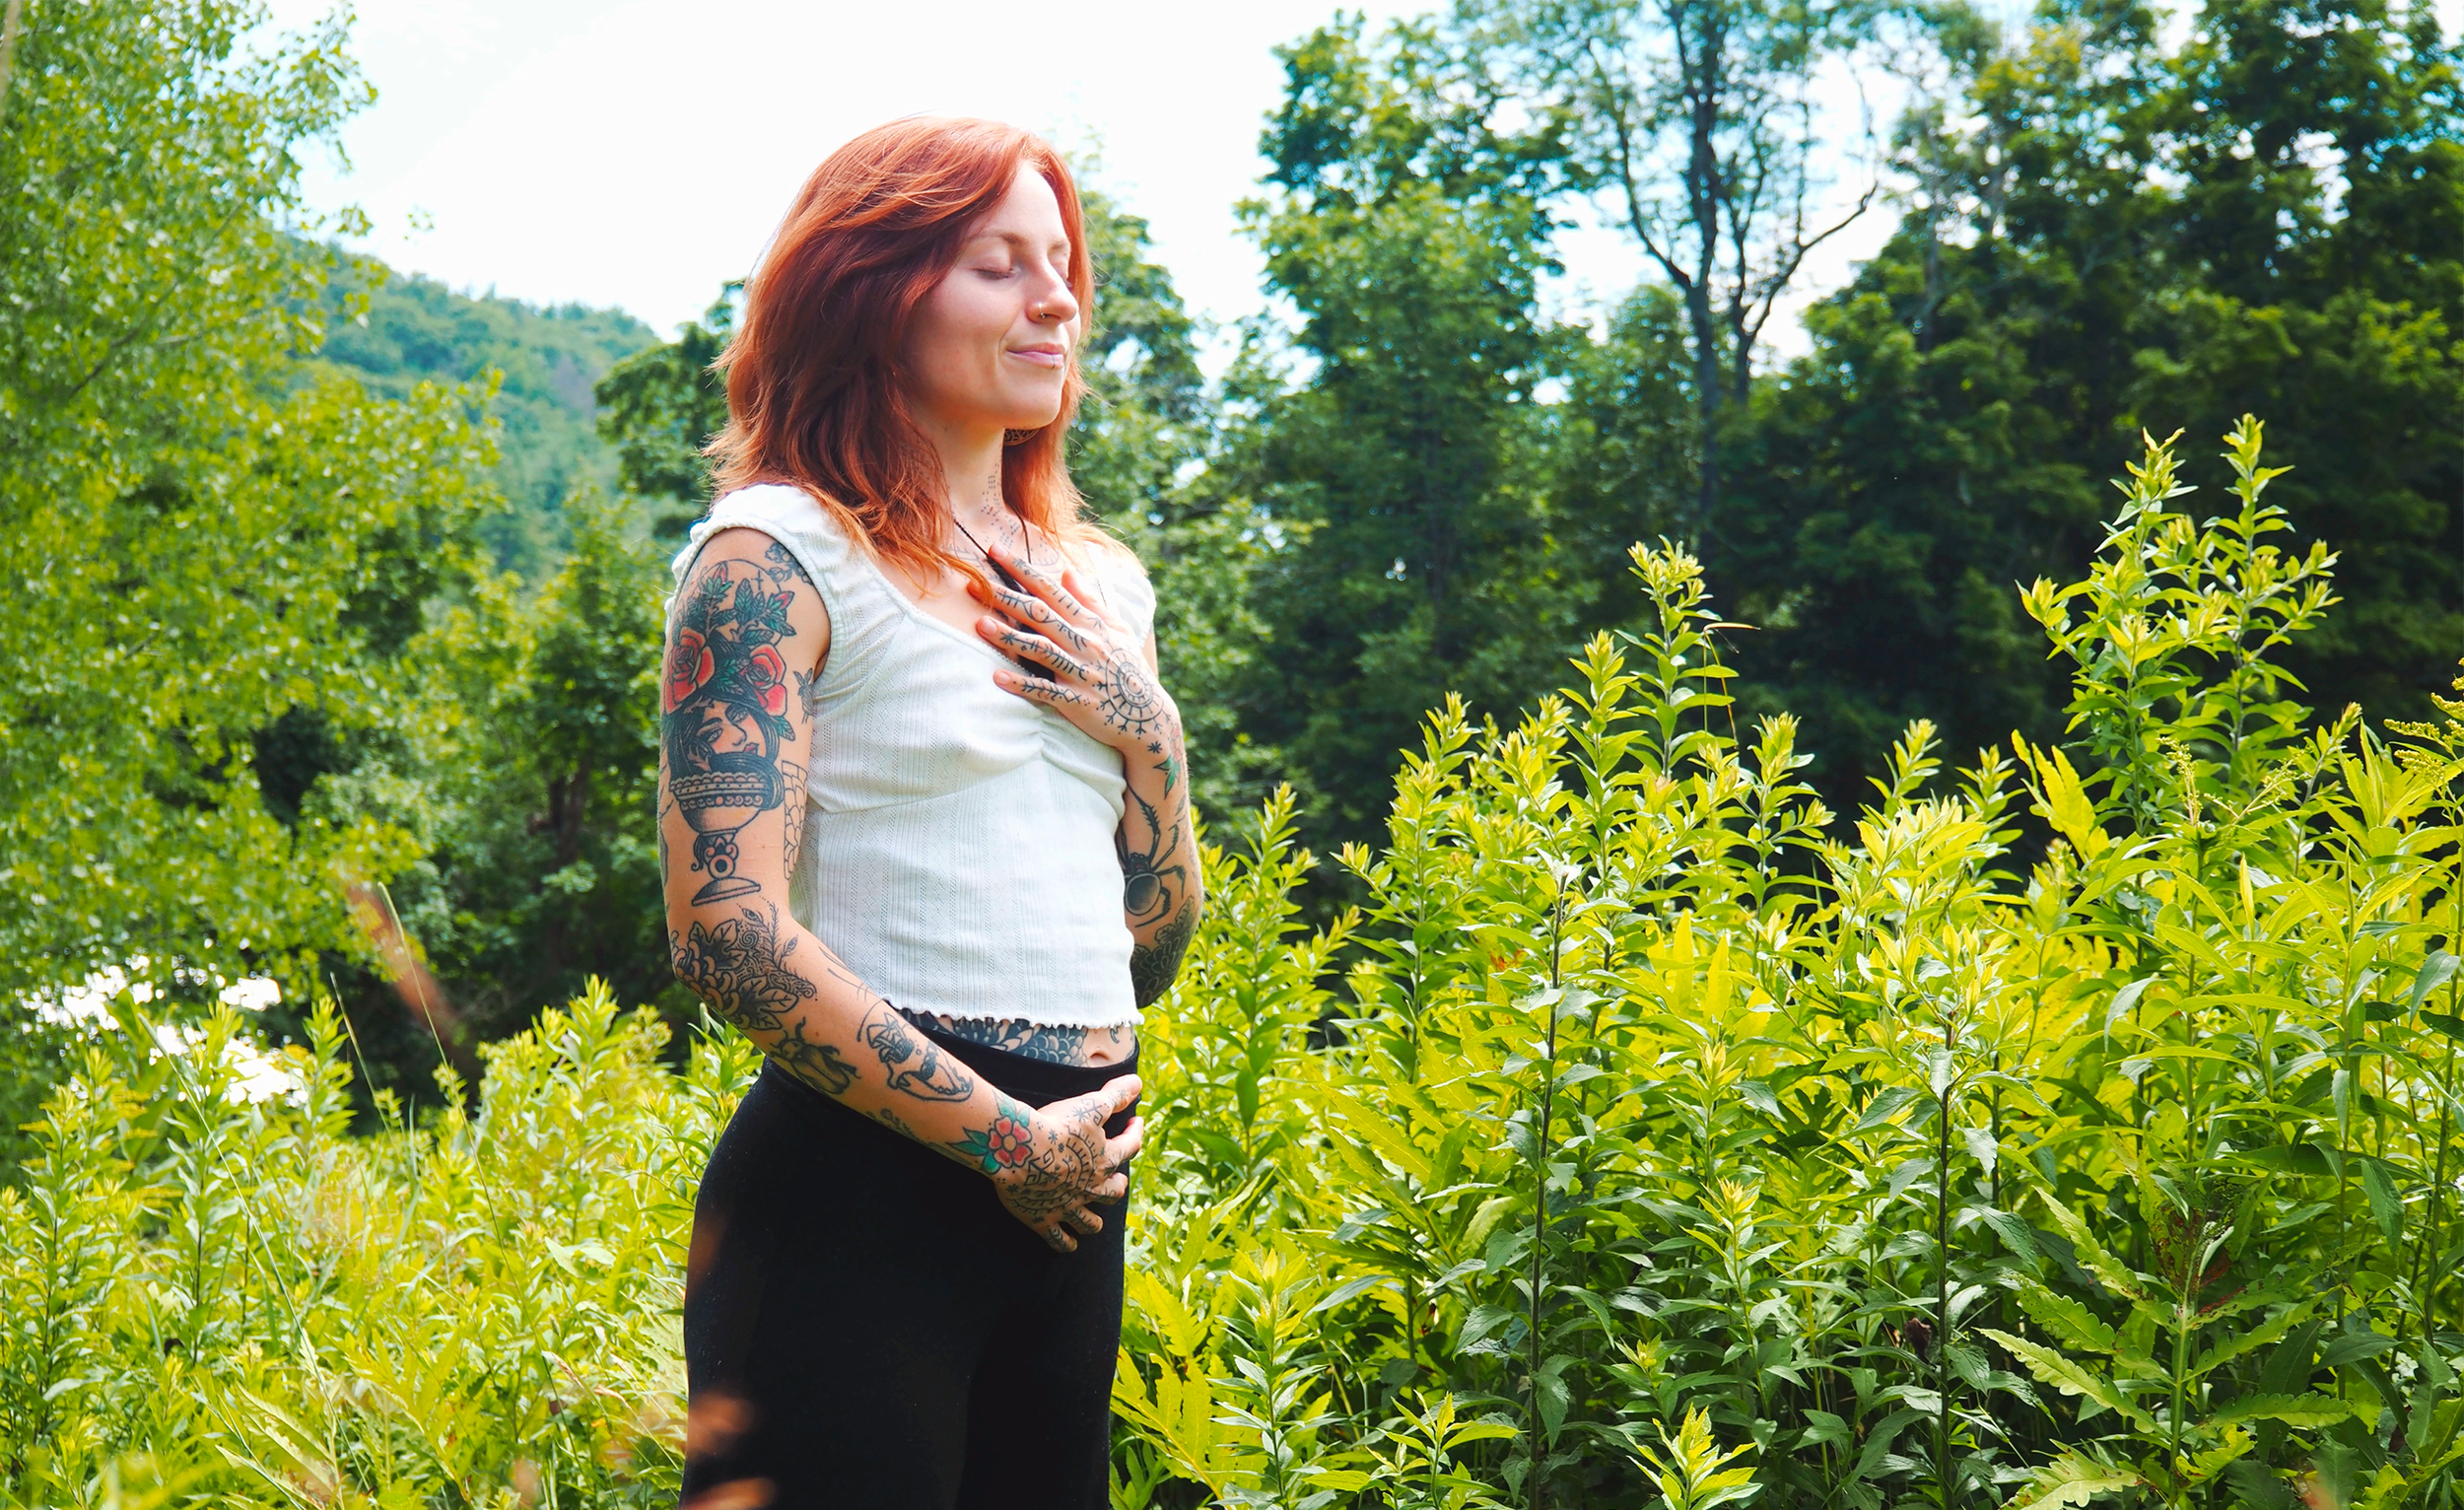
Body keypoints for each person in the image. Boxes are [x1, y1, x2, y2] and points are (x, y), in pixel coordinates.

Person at [658, 117, 1201, 1510]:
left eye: (1061, 264)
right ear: (873, 292)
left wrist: (1154, 744)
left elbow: (1141, 951)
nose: (1058, 299)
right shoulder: (777, 555)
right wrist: (1004, 1143)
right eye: (998, 265)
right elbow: (726, 933)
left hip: (1079, 1185)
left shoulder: (1103, 587)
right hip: (860, 1194)